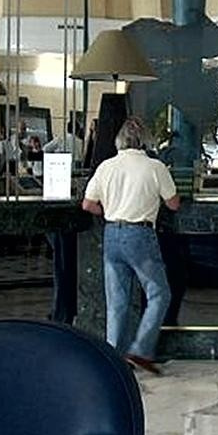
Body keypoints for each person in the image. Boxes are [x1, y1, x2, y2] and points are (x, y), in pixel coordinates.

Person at [82, 117, 180, 375]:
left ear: (119, 141)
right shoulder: (155, 167)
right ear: (144, 141)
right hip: (140, 236)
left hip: (112, 235)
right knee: (159, 294)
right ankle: (141, 349)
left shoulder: (106, 166)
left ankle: (114, 359)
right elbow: (173, 204)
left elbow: (88, 204)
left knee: (117, 302)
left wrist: (109, 212)